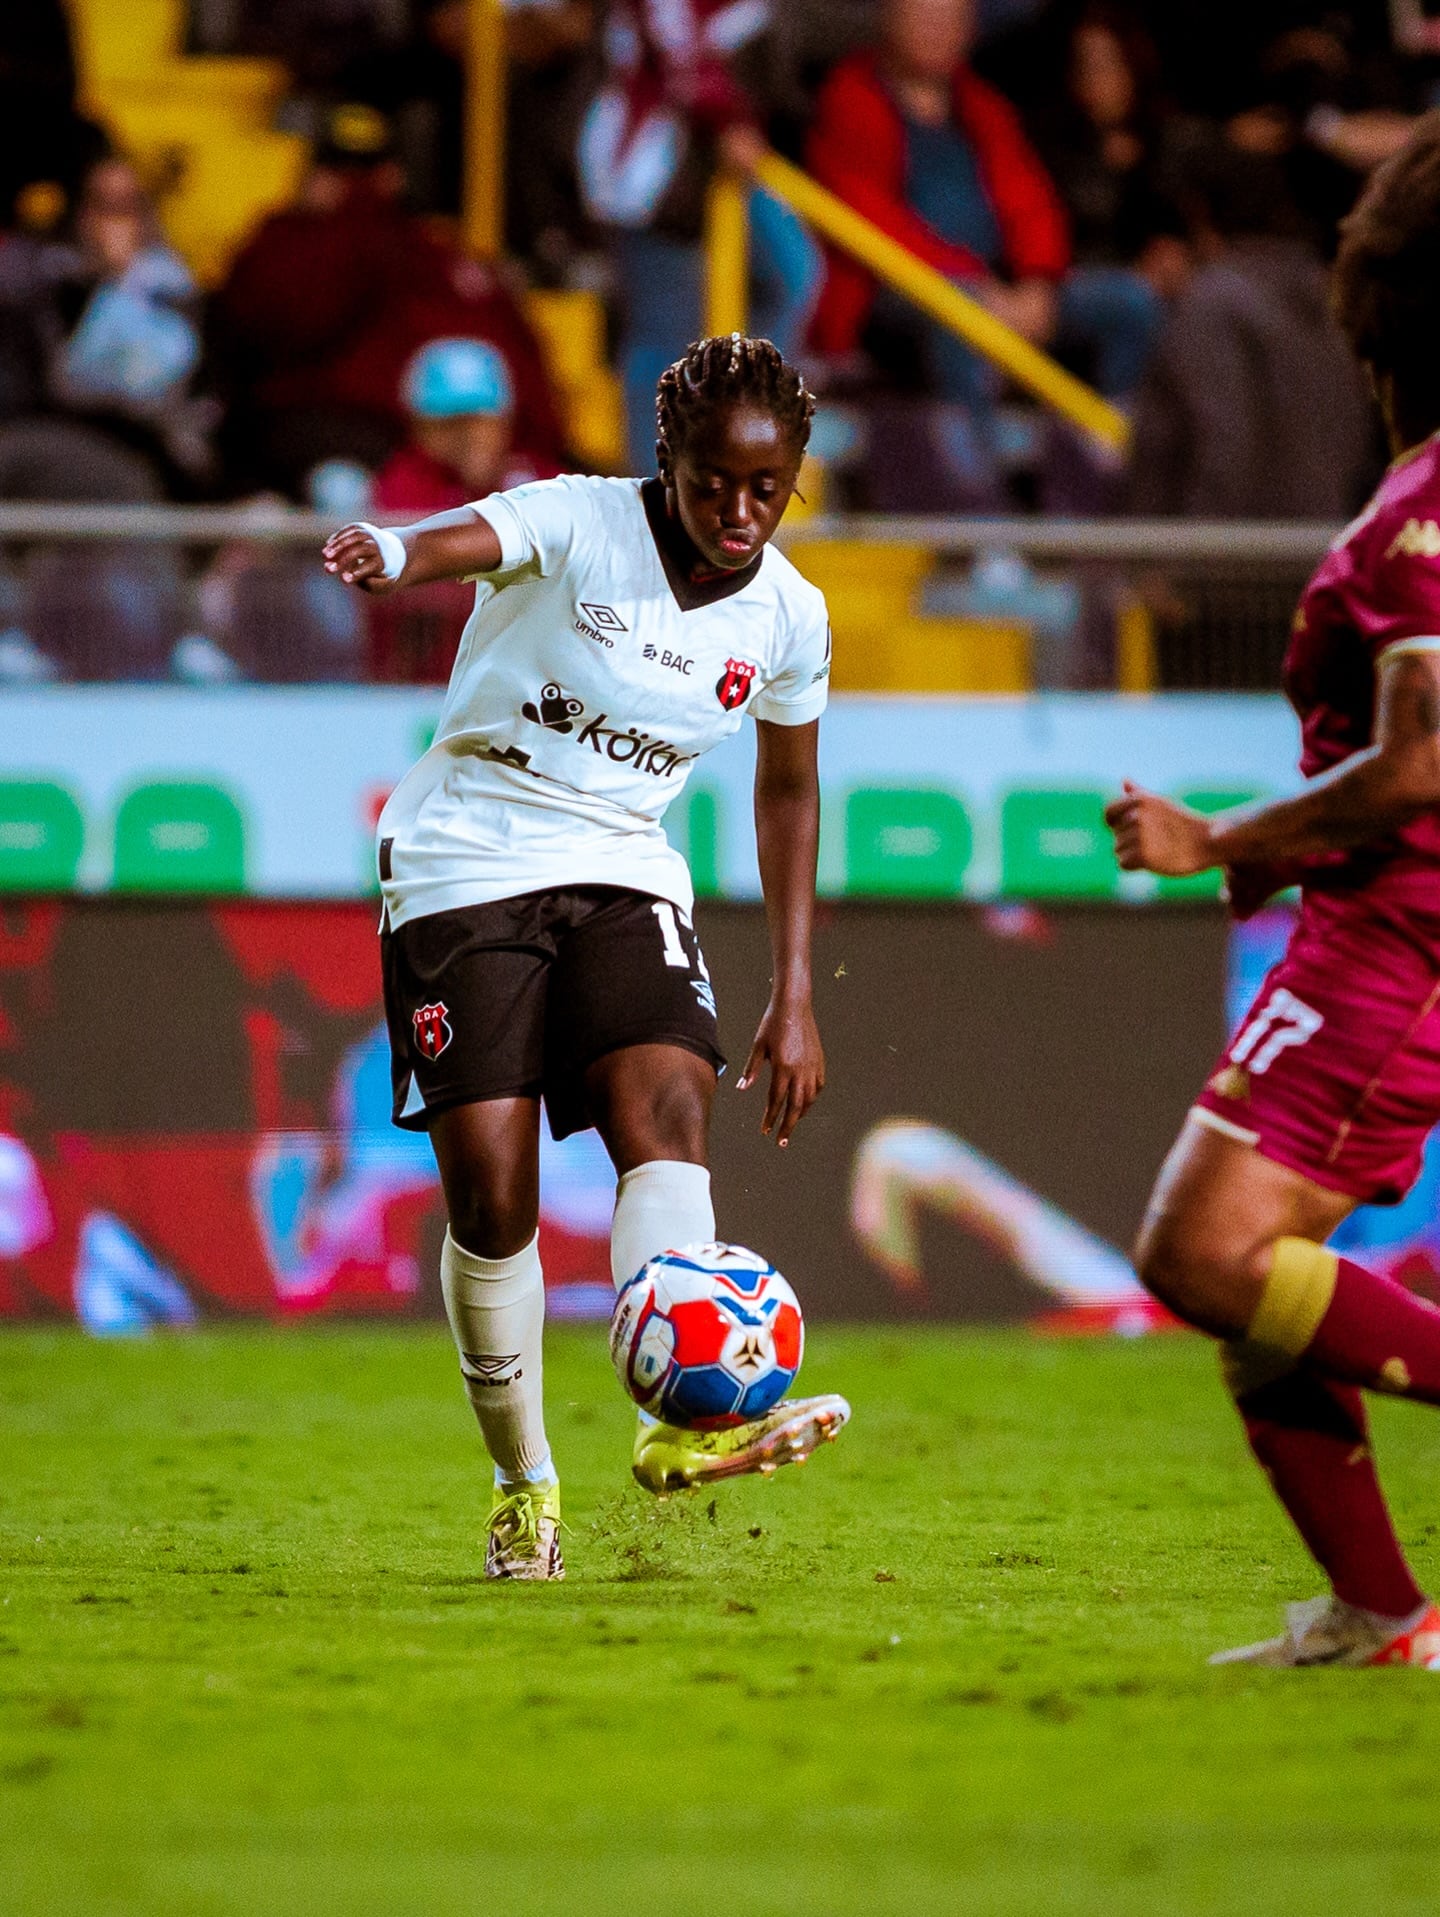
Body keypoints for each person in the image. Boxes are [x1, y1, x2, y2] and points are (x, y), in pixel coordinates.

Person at [322, 334, 850, 1580]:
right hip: (470, 851)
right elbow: (464, 538)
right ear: (666, 463)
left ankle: (681, 1427)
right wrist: (392, 554)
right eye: (712, 481)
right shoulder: (580, 518)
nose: (736, 511)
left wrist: (794, 990)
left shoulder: (792, 615)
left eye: (765, 491)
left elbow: (788, 794)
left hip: (623, 860)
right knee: (493, 1198)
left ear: (794, 483)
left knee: (666, 1110)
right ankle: (524, 1486)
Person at [1104, 114, 1440, 1668]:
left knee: (1204, 1253)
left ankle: (1381, 1611)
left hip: (1401, 941)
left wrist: (1218, 838)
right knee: (1251, 1271)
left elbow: (1417, 763)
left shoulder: (1426, 517)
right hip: (1373, 926)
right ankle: (1378, 1612)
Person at [806, 0, 1069, 417]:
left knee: (1127, 304)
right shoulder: (850, 98)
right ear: (890, 20)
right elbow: (875, 226)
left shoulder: (984, 106)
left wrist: (1038, 283)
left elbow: (1031, 200)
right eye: (924, 18)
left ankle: (1110, 461)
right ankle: (974, 474)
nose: (938, 31)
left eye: (951, 21)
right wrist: (977, 288)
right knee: (958, 314)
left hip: (997, 289)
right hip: (893, 296)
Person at [1127, 139, 1373, 520]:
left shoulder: (1210, 306)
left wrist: (1182, 567)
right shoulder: (1329, 300)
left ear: (1197, 213)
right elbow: (1355, 442)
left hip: (1225, 561)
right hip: (1315, 550)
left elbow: (1223, 449)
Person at [368, 337, 562, 681]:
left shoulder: (536, 478)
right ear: (419, 426)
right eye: (450, 423)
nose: (469, 435)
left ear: (505, 422)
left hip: (526, 685)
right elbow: (413, 585)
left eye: (479, 420)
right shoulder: (402, 484)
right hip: (420, 687)